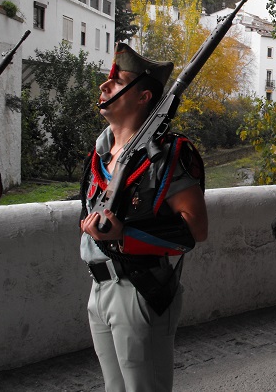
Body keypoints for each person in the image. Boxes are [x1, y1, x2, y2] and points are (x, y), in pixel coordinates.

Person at [80, 43, 207, 392]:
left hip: (138, 288)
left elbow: (195, 229)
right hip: (99, 286)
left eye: (117, 82)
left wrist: (125, 233)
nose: (105, 86)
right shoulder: (102, 151)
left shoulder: (167, 154)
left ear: (143, 96)